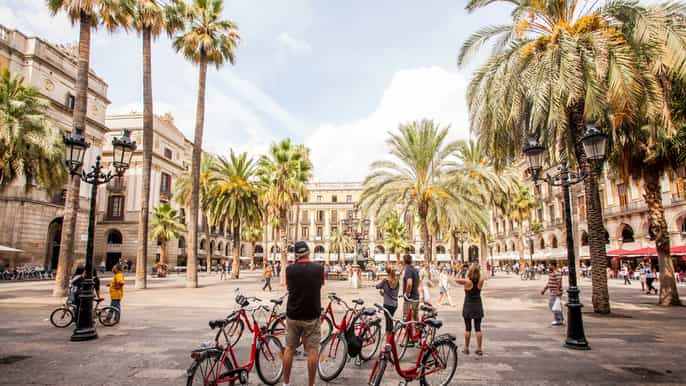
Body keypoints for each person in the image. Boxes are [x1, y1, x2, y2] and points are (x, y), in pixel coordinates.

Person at [283, 241, 324, 386]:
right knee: (312, 351)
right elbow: (321, 284)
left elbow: (288, 286)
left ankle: (286, 383)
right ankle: (311, 384)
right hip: (311, 315)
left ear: (296, 254)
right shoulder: (319, 268)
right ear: (308, 252)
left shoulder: (289, 269)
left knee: (289, 349)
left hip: (293, 315)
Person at [455, 264, 485, 356]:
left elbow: (456, 279)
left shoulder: (467, 282)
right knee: (478, 328)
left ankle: (466, 348)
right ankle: (479, 348)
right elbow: (484, 275)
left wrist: (460, 270)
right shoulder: (481, 281)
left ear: (470, 272)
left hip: (468, 306)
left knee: (468, 328)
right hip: (478, 306)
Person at [375, 267, 399, 332]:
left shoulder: (385, 281)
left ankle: (388, 337)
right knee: (390, 319)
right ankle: (391, 334)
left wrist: (382, 290)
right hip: (395, 304)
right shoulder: (397, 281)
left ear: (387, 272)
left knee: (388, 321)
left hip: (387, 304)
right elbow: (393, 292)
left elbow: (377, 286)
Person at [402, 254, 420, 322]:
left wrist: (407, 294)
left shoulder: (408, 270)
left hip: (410, 299)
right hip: (416, 297)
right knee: (415, 320)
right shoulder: (415, 270)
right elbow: (418, 281)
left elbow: (409, 283)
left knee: (406, 320)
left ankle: (409, 332)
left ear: (404, 261)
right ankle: (418, 332)